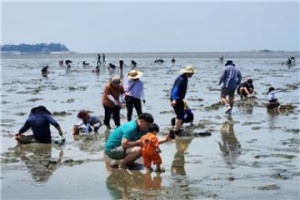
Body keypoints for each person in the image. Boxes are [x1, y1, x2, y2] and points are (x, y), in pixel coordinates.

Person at [104, 113, 170, 169]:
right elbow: (124, 144)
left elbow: (152, 140)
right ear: (140, 121)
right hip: (112, 150)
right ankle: (123, 164)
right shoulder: (131, 127)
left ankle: (129, 162)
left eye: (149, 125)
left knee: (146, 145)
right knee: (140, 148)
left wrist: (165, 139)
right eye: (147, 124)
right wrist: (139, 142)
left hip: (123, 148)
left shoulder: (143, 128)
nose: (148, 127)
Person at [170, 65, 195, 138]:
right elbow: (175, 90)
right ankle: (176, 131)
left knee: (180, 114)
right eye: (191, 73)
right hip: (177, 99)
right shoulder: (181, 80)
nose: (192, 74)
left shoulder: (184, 78)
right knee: (180, 115)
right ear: (187, 73)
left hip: (179, 98)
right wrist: (174, 99)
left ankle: (177, 128)